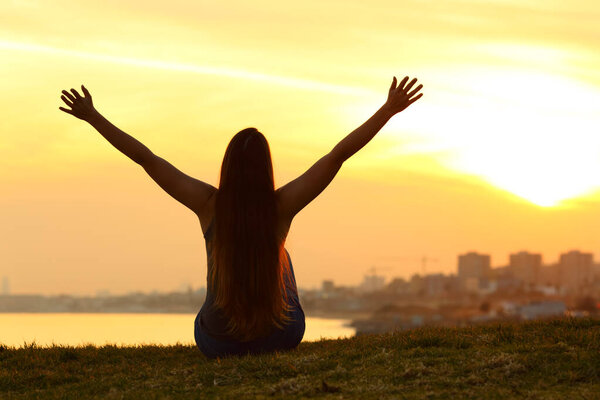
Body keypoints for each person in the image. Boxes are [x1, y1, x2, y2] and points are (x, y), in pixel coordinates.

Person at [58, 75, 423, 358]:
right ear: (266, 169)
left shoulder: (207, 204)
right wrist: (388, 110)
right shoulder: (281, 206)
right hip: (279, 337)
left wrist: (93, 117)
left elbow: (147, 158)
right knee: (283, 257)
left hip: (218, 342)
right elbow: (337, 155)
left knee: (257, 269)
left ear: (228, 168)